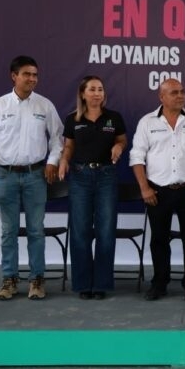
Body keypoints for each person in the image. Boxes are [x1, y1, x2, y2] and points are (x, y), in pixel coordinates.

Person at [0, 55, 63, 301]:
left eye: (35, 75)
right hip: (5, 176)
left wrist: (52, 162)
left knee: (36, 230)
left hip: (35, 176)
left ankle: (37, 279)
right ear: (14, 76)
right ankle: (9, 279)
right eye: (27, 74)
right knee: (8, 231)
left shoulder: (45, 106)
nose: (32, 79)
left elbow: (58, 138)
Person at [129, 78, 185, 303]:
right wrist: (144, 188)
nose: (180, 96)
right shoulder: (147, 122)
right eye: (174, 92)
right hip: (157, 191)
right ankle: (159, 283)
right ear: (161, 97)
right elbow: (137, 156)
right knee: (159, 240)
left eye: (182, 91)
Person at [58, 76, 127, 300]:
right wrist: (64, 160)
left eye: (100, 89)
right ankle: (82, 284)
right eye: (93, 89)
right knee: (80, 231)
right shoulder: (73, 119)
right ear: (83, 93)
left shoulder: (113, 117)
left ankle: (101, 284)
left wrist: (119, 146)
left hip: (106, 175)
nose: (97, 93)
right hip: (80, 176)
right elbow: (69, 145)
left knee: (106, 231)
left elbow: (122, 140)